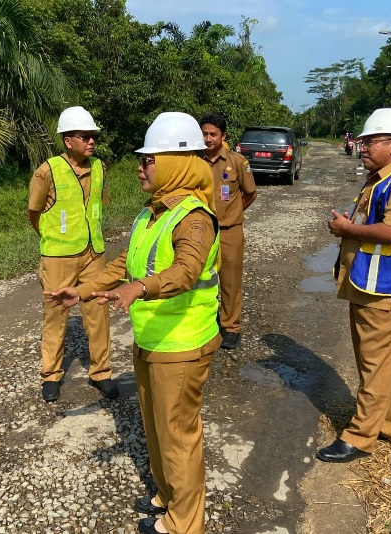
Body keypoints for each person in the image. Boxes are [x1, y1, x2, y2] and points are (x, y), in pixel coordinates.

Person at [45, 112, 221, 534]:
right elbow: (125, 262)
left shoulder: (195, 218)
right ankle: (168, 494)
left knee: (177, 433)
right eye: (141, 160)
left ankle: (184, 523)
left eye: (149, 160)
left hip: (182, 343)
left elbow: (184, 272)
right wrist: (84, 290)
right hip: (153, 339)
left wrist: (137, 289)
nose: (139, 168)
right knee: (156, 427)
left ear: (176, 163)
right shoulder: (153, 212)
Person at [319, 108, 391, 463]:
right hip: (373, 286)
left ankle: (359, 436)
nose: (362, 147)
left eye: (370, 141)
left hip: (387, 290)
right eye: (363, 141)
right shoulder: (380, 177)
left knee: (374, 366)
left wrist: (346, 229)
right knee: (385, 363)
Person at [28, 106, 118, 402]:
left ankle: (101, 372)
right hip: (58, 256)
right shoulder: (47, 170)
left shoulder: (100, 168)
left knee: (99, 312)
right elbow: (34, 212)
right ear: (68, 141)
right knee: (56, 314)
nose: (91, 142)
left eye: (93, 137)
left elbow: (99, 206)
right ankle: (51, 375)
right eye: (85, 137)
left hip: (94, 252)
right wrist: (55, 238)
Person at [199, 113, 257, 349]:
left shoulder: (237, 162)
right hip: (202, 231)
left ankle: (231, 326)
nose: (208, 139)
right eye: (204, 134)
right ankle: (207, 322)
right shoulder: (194, 161)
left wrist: (233, 212)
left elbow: (250, 193)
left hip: (229, 231)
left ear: (224, 136)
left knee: (230, 281)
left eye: (213, 134)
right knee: (202, 278)